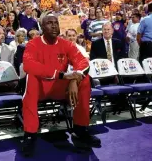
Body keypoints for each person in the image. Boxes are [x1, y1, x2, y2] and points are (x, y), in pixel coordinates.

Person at [21, 14, 101, 157]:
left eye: (56, 23)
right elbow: (29, 65)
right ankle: (30, 134)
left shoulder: (66, 44)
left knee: (86, 79)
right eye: (49, 23)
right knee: (30, 78)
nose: (53, 26)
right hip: (41, 87)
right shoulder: (33, 44)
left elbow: (83, 62)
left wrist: (74, 80)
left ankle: (80, 129)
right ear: (42, 27)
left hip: (60, 87)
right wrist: (62, 75)